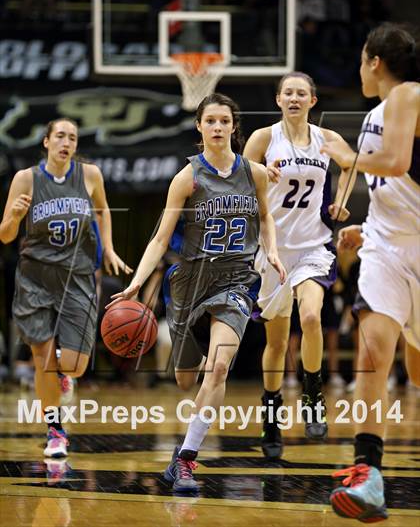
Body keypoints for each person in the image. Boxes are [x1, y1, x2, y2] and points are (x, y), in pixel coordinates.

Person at [107, 93, 286, 492]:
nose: (218, 127)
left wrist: (270, 249)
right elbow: (160, 238)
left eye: (225, 121)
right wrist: (138, 282)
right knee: (186, 380)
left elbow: (266, 216)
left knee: (218, 368)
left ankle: (185, 461)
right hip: (191, 280)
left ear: (233, 127)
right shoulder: (186, 178)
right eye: (211, 121)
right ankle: (195, 337)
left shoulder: (254, 173)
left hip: (236, 280)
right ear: (199, 127)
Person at [320, 22, 420, 523]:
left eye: (361, 60)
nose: (360, 69)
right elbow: (391, 183)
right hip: (384, 244)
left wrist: (345, 157)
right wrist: (363, 226)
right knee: (372, 349)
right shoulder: (377, 113)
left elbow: (398, 162)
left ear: (374, 61)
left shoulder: (409, 94)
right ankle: (368, 475)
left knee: (417, 369)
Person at [0, 117, 131, 458]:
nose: (66, 142)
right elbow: (5, 235)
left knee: (74, 365)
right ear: (46, 141)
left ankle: (63, 375)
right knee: (42, 356)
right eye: (60, 135)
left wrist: (109, 248)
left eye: (72, 137)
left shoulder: (89, 175)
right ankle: (56, 430)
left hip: (78, 276)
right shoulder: (26, 179)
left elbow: (102, 211)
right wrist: (13, 217)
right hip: (36, 278)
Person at [244, 71, 356, 459]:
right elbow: (238, 177)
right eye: (287, 92)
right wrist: (259, 172)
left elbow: (353, 163)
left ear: (312, 101)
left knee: (310, 317)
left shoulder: (326, 140)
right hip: (274, 251)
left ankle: (313, 395)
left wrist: (340, 198)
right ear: (278, 99)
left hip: (313, 245)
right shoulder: (264, 138)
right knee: (276, 344)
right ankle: (271, 416)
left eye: (301, 93)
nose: (294, 98)